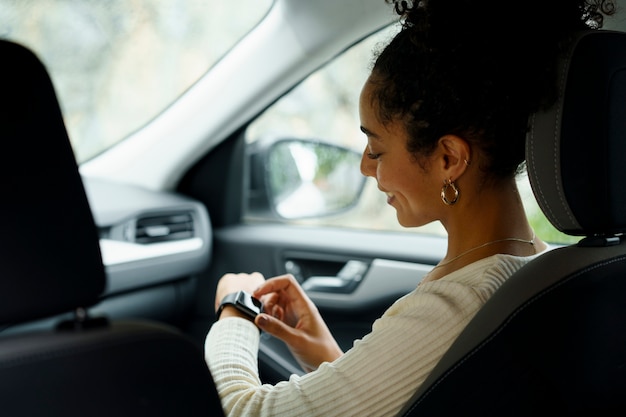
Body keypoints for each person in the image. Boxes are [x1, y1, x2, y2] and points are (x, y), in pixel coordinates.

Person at [205, 0, 615, 415]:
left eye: (376, 149)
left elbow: (247, 410)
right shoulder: (547, 271)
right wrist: (328, 357)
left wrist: (235, 308)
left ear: (449, 159)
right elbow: (435, 396)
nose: (365, 166)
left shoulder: (460, 303)